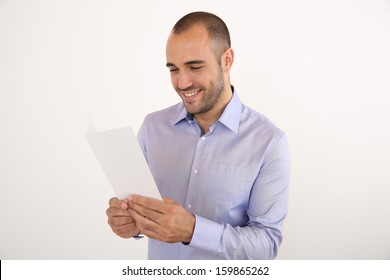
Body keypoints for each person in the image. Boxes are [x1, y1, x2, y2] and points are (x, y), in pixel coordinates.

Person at [106, 11, 290, 260]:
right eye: (173, 69)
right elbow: (138, 206)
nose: (182, 83)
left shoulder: (269, 142)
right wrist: (129, 222)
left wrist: (192, 230)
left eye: (194, 67)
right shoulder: (152, 127)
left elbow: (266, 245)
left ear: (226, 60)